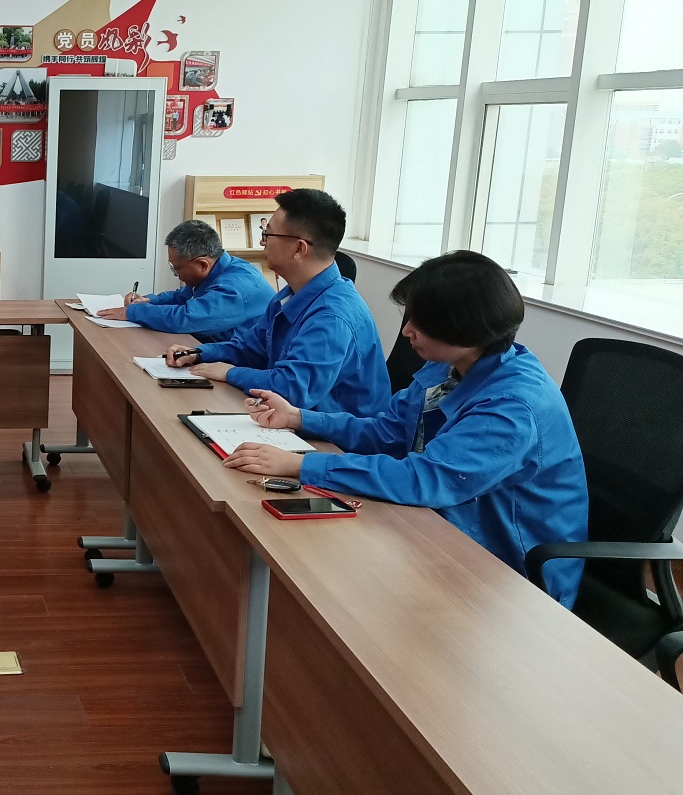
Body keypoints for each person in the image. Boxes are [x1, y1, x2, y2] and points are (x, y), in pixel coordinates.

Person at [222, 251, 588, 607]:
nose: (407, 331)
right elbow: (389, 431)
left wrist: (301, 464)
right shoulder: (450, 364)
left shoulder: (512, 408)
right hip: (440, 523)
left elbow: (426, 479)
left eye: (421, 322)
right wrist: (300, 418)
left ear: (465, 328)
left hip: (508, 573)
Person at [164, 188, 389, 416]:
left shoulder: (332, 316)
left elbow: (291, 388)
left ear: (299, 248)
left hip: (330, 433)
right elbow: (250, 347)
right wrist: (199, 353)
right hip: (288, 416)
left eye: (268, 234)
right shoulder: (291, 294)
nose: (262, 241)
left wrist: (229, 372)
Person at [97, 219, 276, 338]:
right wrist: (149, 301)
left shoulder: (234, 288)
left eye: (177, 269)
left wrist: (133, 313)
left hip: (246, 363)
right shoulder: (219, 266)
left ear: (202, 265)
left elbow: (188, 318)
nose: (177, 275)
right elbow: (183, 296)